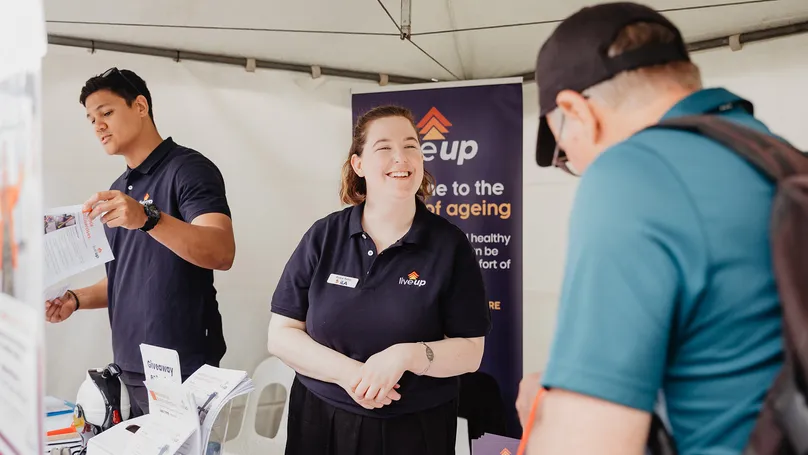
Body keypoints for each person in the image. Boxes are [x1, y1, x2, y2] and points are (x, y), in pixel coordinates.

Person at [515, 3, 786, 455]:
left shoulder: (634, 174)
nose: (579, 168)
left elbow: (590, 440)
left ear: (575, 110)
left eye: (564, 155)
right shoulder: (775, 157)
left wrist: (549, 416)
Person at [267, 104, 491, 455]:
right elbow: (281, 335)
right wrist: (352, 375)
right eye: (384, 147)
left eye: (411, 145)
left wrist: (407, 356)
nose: (401, 157)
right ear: (358, 164)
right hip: (320, 421)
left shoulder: (449, 245)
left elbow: (470, 352)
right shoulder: (325, 236)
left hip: (415, 429)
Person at [44, 67, 236, 416]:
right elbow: (126, 278)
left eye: (106, 112)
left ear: (140, 106)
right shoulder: (119, 190)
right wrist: (76, 298)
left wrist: (148, 218)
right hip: (129, 368)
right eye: (91, 119)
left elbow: (221, 251)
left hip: (182, 368)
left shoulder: (188, 169)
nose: (98, 126)